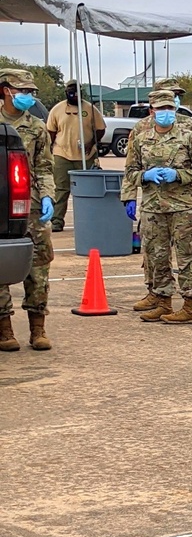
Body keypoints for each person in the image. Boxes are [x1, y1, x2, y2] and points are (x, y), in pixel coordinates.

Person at [121, 89, 192, 324]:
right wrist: (145, 176)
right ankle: (162, 301)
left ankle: (190, 307)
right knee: (156, 256)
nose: (165, 113)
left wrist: (178, 175)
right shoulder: (140, 139)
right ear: (152, 112)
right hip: (153, 208)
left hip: (183, 208)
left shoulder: (189, 137)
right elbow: (130, 172)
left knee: (188, 257)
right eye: (161, 109)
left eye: (170, 108)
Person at [0, 69, 55, 351]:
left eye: (30, 92)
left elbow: (45, 167)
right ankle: (5, 329)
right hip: (0, 207)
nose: (27, 96)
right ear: (5, 90)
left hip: (30, 207)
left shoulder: (37, 126)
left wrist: (48, 196)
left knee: (39, 265)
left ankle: (38, 328)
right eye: (21, 91)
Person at [46, 78, 106, 232]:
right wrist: (50, 150)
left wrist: (91, 143)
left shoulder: (90, 109)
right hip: (62, 155)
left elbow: (100, 129)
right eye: (70, 91)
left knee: (89, 190)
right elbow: (51, 132)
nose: (73, 94)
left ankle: (91, 220)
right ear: (66, 92)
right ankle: (57, 221)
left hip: (86, 156)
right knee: (61, 189)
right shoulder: (57, 109)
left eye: (76, 91)